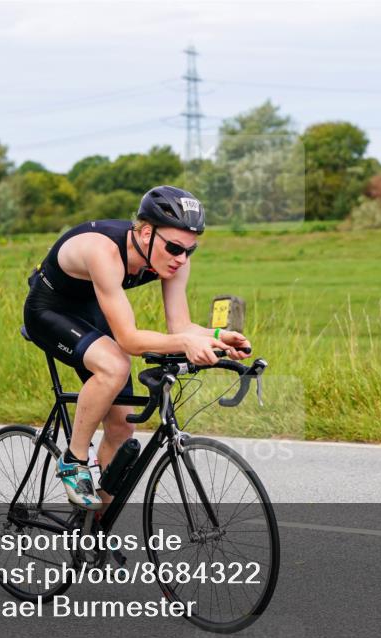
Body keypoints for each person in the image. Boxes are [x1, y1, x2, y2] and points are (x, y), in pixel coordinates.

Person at [23, 185, 252, 508]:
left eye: (190, 250)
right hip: (49, 310)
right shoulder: (103, 251)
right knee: (115, 364)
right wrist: (186, 342)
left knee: (121, 427)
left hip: (92, 309)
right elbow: (129, 340)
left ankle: (91, 532)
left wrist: (215, 336)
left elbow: (181, 327)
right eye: (174, 248)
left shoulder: (174, 259)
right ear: (146, 233)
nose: (181, 259)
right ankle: (73, 461)